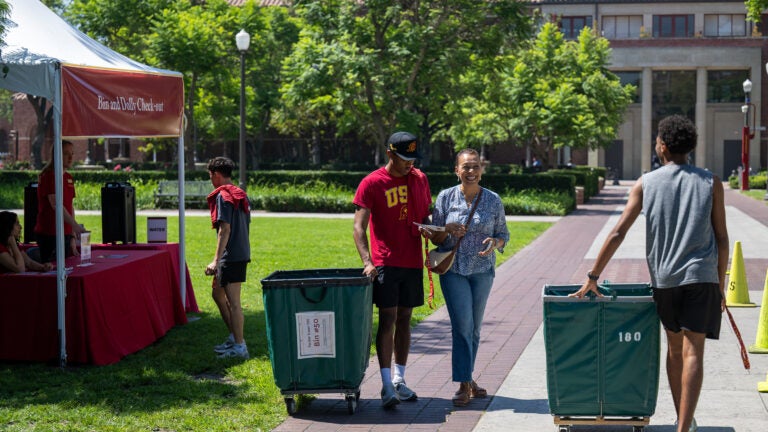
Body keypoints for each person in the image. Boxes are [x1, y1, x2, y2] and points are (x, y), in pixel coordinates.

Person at [571, 115, 728, 432]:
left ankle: (683, 419)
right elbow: (722, 237)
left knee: (675, 349)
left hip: (665, 280)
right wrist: (721, 283)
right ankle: (684, 425)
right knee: (694, 349)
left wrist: (593, 275)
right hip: (702, 277)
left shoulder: (646, 182)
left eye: (657, 140)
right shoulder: (711, 182)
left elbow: (618, 233)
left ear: (664, 146)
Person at [353, 131, 432, 409]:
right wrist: (367, 261)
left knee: (405, 319)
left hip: (411, 261)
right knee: (387, 318)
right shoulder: (372, 182)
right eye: (404, 158)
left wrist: (435, 230)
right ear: (390, 154)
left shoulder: (420, 179)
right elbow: (358, 227)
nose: (410, 163)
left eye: (413, 157)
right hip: (385, 261)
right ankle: (386, 385)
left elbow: (426, 216)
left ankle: (400, 379)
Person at [427, 148, 510, 407]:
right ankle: (463, 384)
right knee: (462, 327)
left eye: (475, 166)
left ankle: (469, 378)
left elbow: (503, 235)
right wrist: (446, 229)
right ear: (457, 170)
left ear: (481, 170)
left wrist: (495, 242)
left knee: (474, 329)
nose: (471, 171)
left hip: (482, 270)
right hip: (453, 271)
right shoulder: (445, 197)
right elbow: (434, 236)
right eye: (466, 167)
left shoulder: (493, 200)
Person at [206, 157, 251, 359]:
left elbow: (225, 230)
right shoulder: (240, 194)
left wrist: (216, 260)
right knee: (217, 294)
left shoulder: (223, 196)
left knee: (234, 302)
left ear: (216, 174)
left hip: (231, 255)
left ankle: (240, 347)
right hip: (239, 252)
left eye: (210, 175)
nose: (210, 180)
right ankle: (234, 337)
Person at [34, 140, 86, 262]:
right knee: (53, 271)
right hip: (50, 233)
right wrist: (75, 226)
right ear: (57, 155)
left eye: (72, 153)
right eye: (66, 153)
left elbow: (70, 207)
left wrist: (73, 235)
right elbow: (56, 205)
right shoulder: (49, 176)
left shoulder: (68, 178)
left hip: (66, 233)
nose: (70, 157)